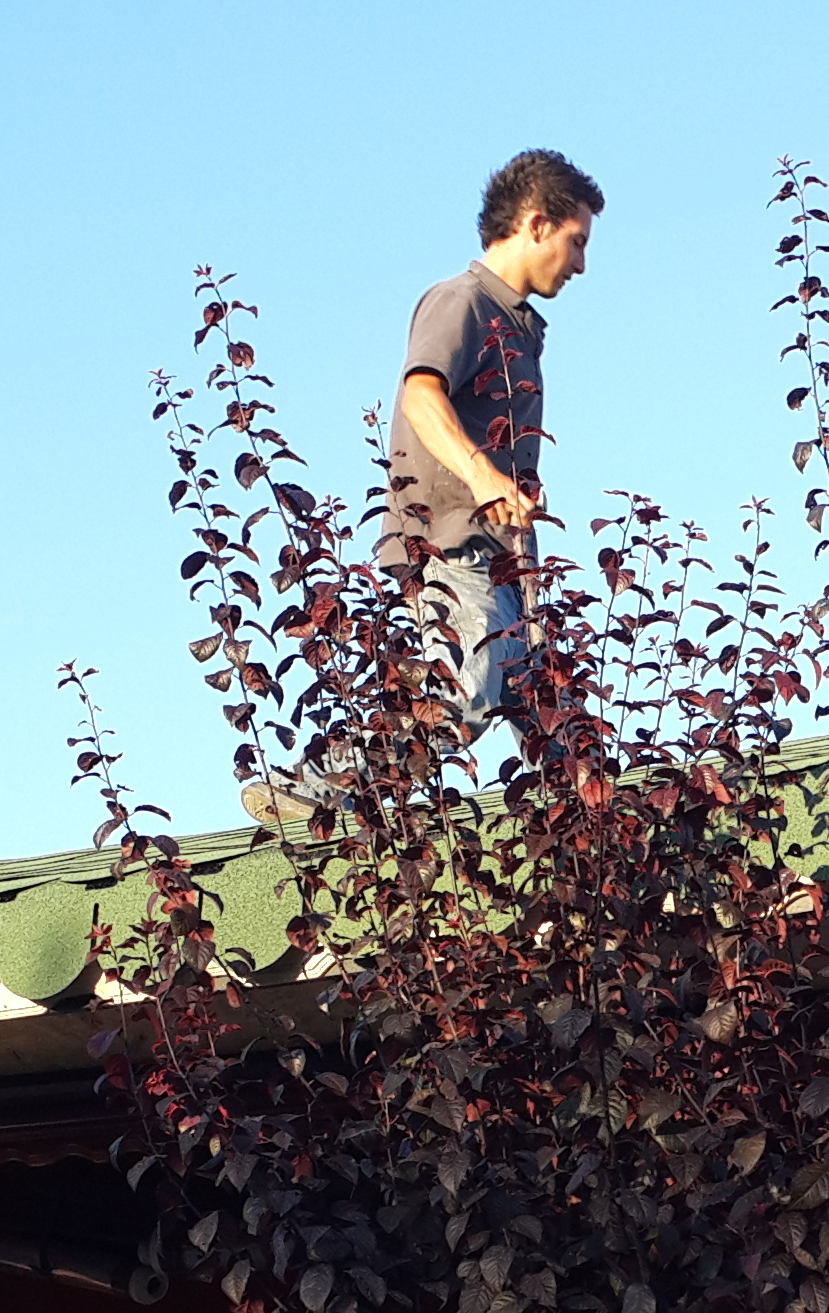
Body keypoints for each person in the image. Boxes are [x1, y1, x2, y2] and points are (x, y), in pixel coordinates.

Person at [250, 149, 603, 820]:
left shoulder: (518, 328)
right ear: (535, 224)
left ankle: (597, 835)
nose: (581, 263)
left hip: (506, 561)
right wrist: (483, 475)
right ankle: (321, 784)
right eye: (576, 240)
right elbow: (419, 395)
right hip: (452, 543)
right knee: (467, 686)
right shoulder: (462, 301)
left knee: (556, 719)